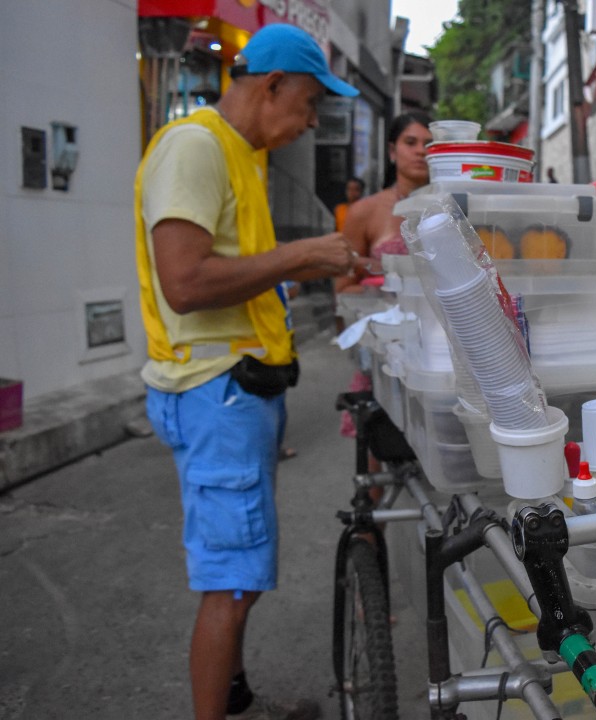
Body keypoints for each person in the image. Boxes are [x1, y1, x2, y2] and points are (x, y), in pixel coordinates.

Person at [134, 23, 360, 720]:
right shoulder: (195, 147)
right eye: (310, 103)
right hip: (215, 395)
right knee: (231, 584)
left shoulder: (240, 154)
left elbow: (235, 271)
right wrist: (301, 256)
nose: (311, 122)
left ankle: (236, 699)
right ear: (273, 85)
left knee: (244, 570)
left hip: (238, 392)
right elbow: (184, 283)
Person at [335, 112, 432, 438]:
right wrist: (385, 295)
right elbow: (343, 287)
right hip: (384, 354)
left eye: (429, 144)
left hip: (439, 353)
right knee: (381, 443)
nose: (420, 151)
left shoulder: (455, 208)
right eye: (411, 142)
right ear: (392, 150)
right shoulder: (364, 212)